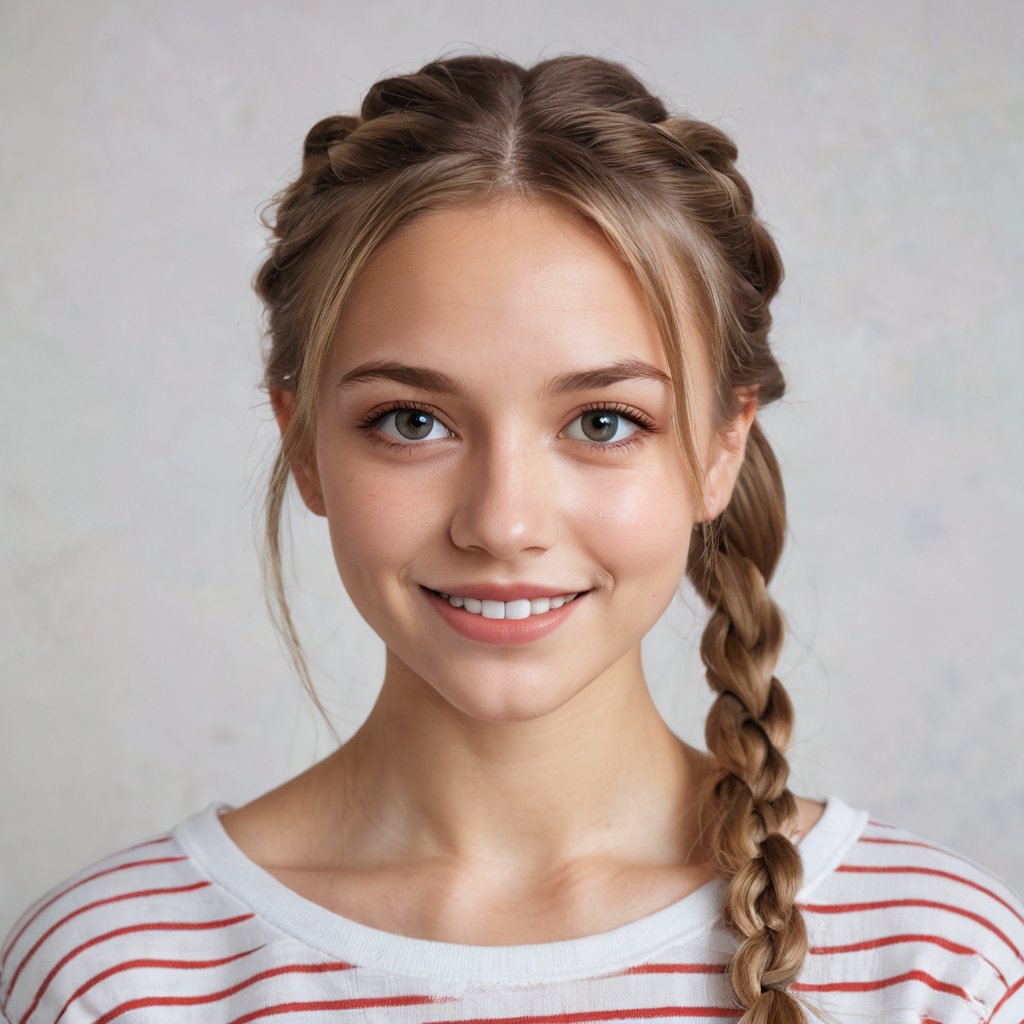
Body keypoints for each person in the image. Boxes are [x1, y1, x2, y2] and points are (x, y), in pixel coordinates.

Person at [1, 53, 1021, 1024]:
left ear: (721, 449)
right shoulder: (120, 973)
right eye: (412, 420)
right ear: (304, 445)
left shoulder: (941, 968)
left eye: (603, 421)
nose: (502, 522)